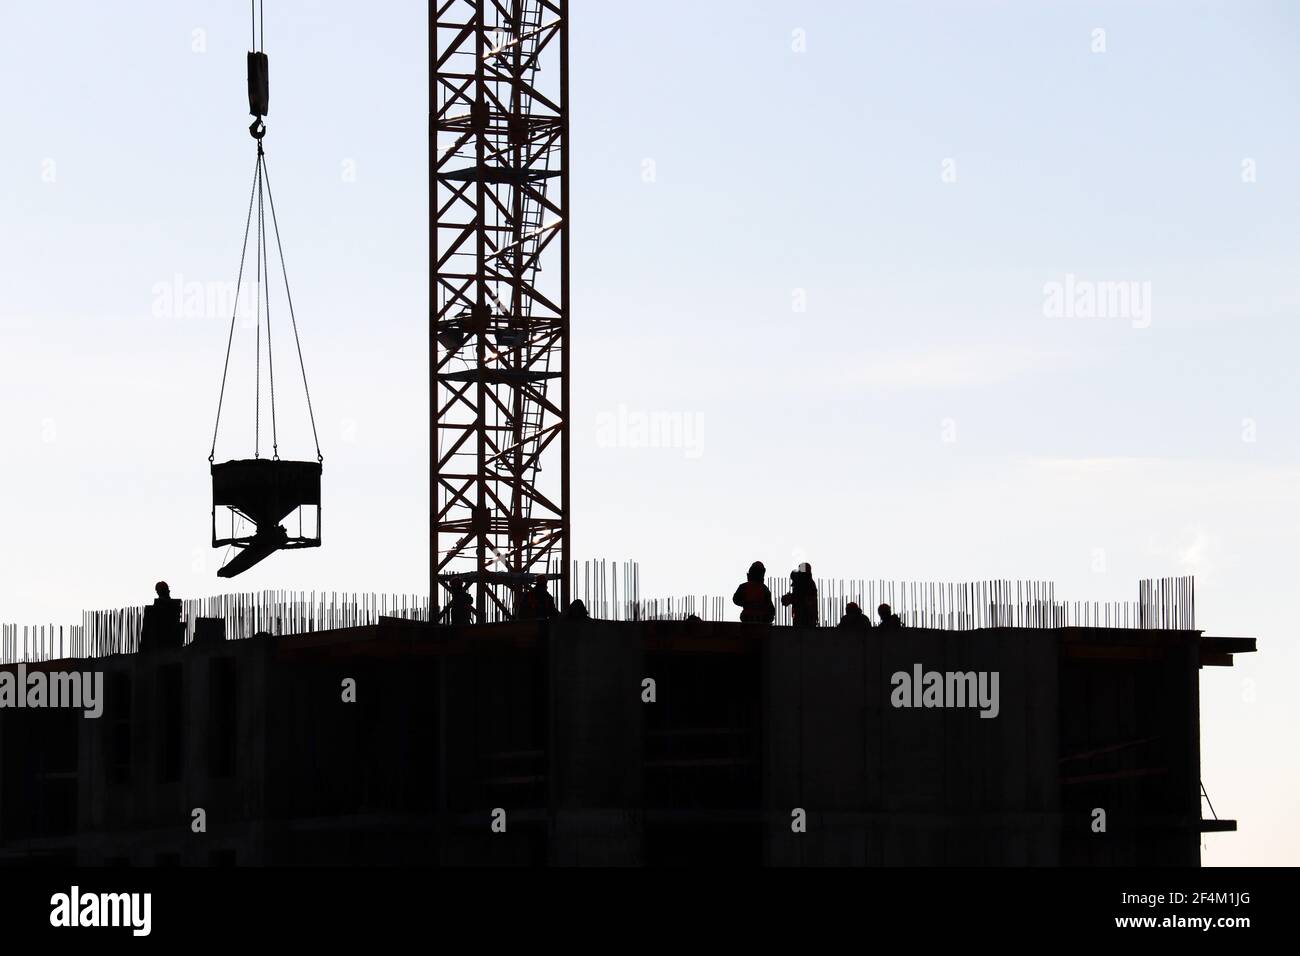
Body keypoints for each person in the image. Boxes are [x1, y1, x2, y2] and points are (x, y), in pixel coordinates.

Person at [140, 581, 183, 652]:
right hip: (162, 641)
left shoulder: (172, 605)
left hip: (166, 640)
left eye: (158, 590)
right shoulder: (168, 605)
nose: (157, 592)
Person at [781, 563, 819, 627]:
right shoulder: (803, 583)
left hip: (807, 620)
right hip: (801, 619)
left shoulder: (808, 585)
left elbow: (804, 600)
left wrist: (792, 598)